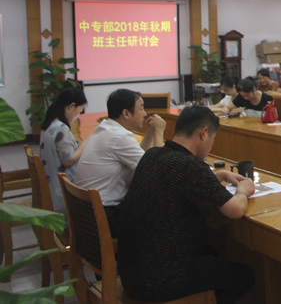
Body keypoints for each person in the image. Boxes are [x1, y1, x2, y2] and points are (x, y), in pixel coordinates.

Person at [118, 106, 255, 303]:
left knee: (211, 253)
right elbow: (236, 210)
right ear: (204, 133)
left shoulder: (152, 155)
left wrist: (219, 176)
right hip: (159, 281)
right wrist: (243, 190)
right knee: (244, 275)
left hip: (131, 273)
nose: (211, 145)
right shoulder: (191, 166)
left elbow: (178, 182)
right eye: (213, 138)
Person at [74, 89, 166, 237]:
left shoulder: (107, 128)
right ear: (126, 113)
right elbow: (156, 171)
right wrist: (159, 132)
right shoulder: (119, 137)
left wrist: (149, 132)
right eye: (141, 108)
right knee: (163, 210)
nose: (144, 114)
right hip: (104, 217)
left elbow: (141, 161)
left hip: (87, 214)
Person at [39, 87, 88, 215]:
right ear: (71, 106)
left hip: (50, 185)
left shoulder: (48, 125)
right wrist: (83, 145)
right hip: (63, 192)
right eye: (79, 111)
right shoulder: (61, 128)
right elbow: (68, 160)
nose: (78, 116)